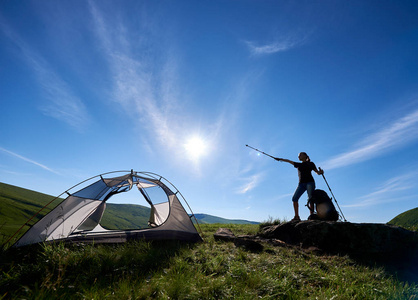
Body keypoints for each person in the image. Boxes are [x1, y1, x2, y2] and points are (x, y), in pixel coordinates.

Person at [275, 152, 324, 222]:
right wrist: (279, 159)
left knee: (311, 199)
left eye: (300, 155)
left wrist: (321, 172)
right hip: (301, 184)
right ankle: (297, 216)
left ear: (305, 156)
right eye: (298, 156)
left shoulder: (311, 164)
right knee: (294, 198)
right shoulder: (298, 165)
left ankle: (312, 216)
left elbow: (317, 172)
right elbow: (288, 161)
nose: (299, 157)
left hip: (310, 182)